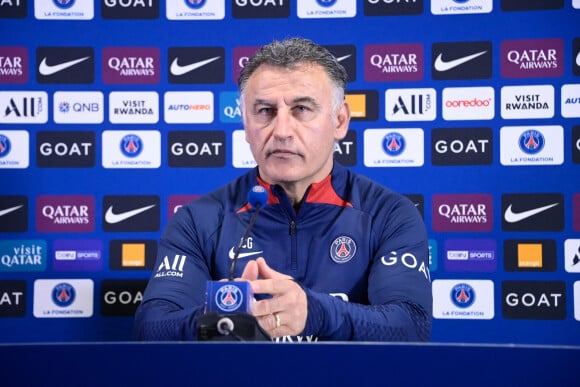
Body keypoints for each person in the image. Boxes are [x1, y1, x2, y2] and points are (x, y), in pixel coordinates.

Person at [134, 37, 432, 342]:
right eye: (265, 111)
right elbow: (152, 327)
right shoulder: (199, 221)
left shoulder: (389, 215)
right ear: (245, 123)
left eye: (301, 109)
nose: (282, 131)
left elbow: (412, 326)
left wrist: (315, 313)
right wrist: (219, 316)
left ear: (340, 120)